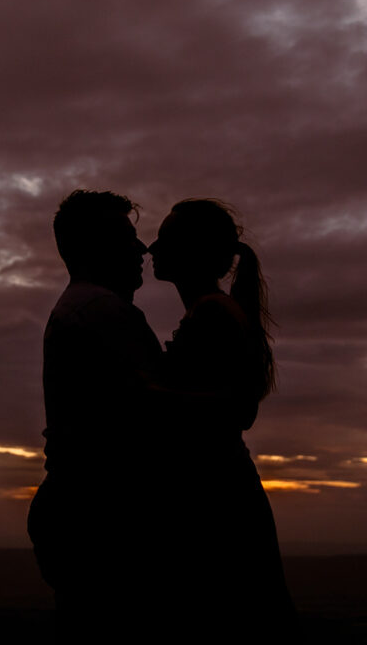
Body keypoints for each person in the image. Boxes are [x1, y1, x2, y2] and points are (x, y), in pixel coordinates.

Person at [148, 198, 296, 638]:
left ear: (192, 251)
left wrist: (143, 393)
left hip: (217, 497)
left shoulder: (213, 314)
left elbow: (236, 409)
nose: (152, 249)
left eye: (166, 239)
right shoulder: (210, 311)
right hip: (219, 491)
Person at [27, 190, 163, 642]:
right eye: (127, 238)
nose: (141, 249)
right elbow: (158, 415)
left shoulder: (83, 307)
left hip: (81, 515)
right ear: (94, 247)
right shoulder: (102, 311)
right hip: (103, 523)